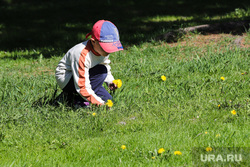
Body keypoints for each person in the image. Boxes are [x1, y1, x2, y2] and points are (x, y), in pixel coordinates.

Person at [55, 20, 123, 107]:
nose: (108, 51)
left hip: (88, 74)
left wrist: (110, 81)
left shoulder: (102, 51)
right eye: (105, 47)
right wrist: (99, 103)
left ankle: (76, 98)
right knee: (101, 71)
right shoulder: (81, 54)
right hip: (68, 78)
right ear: (93, 41)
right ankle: (72, 100)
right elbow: (82, 86)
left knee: (109, 100)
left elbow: (105, 65)